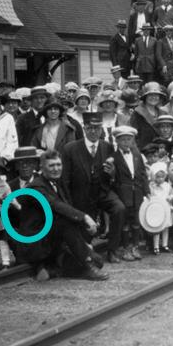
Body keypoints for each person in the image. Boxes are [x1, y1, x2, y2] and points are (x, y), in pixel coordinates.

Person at [20, 150, 107, 281]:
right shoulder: (36, 188)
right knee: (66, 224)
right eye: (51, 166)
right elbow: (54, 205)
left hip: (51, 237)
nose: (56, 169)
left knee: (99, 261)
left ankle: (53, 269)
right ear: (42, 167)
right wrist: (85, 217)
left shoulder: (56, 183)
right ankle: (86, 266)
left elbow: (67, 210)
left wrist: (83, 243)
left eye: (59, 165)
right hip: (36, 243)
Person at [60, 112, 127, 264]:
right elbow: (65, 179)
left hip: (102, 192)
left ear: (101, 129)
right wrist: (69, 203)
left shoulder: (107, 146)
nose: (93, 131)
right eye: (89, 128)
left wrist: (112, 174)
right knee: (85, 236)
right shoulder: (70, 149)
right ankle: (84, 250)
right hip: (81, 196)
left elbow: (114, 176)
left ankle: (112, 249)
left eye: (97, 128)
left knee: (119, 208)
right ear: (84, 128)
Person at [108, 125, 148, 262]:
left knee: (136, 221)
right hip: (123, 193)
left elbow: (143, 174)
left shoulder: (137, 155)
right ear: (117, 141)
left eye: (129, 139)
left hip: (137, 192)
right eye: (123, 140)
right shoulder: (114, 157)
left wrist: (147, 191)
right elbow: (113, 178)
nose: (126, 142)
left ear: (133, 141)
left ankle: (135, 246)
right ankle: (125, 248)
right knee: (125, 221)